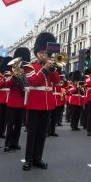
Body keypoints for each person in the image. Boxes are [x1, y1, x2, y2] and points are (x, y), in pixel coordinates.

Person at [22, 32, 60, 171]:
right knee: (32, 133)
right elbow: (34, 81)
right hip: (34, 103)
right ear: (37, 53)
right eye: (42, 52)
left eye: (46, 52)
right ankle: (28, 159)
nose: (44, 54)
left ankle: (38, 158)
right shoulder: (30, 66)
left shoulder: (50, 66)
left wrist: (53, 68)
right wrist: (45, 69)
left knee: (41, 134)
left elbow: (57, 81)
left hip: (47, 103)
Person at [3, 47, 29, 152]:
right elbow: (7, 84)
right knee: (10, 125)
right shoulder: (10, 72)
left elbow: (28, 85)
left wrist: (23, 78)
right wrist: (14, 76)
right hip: (13, 102)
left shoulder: (25, 72)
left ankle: (15, 143)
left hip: (22, 102)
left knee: (18, 125)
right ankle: (8, 143)